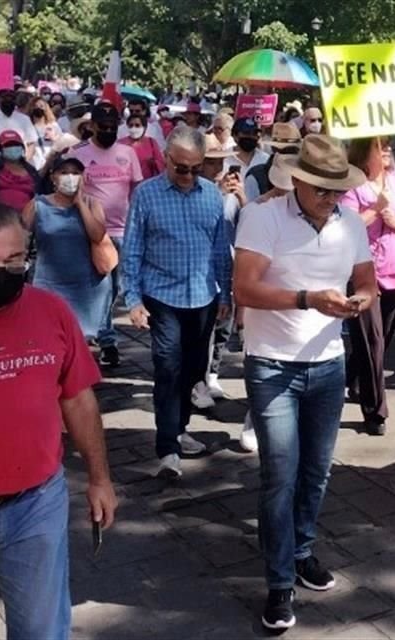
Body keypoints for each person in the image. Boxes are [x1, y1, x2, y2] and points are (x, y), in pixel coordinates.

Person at [233, 134, 375, 630]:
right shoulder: (263, 216)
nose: (330, 197)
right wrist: (307, 300)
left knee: (317, 471)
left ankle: (302, 551)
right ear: (297, 179)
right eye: (321, 189)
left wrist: (360, 300)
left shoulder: (351, 221)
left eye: (338, 189)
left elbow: (368, 282)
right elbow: (244, 287)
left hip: (329, 362)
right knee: (280, 474)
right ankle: (278, 585)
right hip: (272, 364)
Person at [0, 201, 117, 640]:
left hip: (35, 503)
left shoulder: (52, 312)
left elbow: (78, 400)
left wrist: (99, 478)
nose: (1, 272)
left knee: (42, 631)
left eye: (14, 261)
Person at [121, 125, 233, 479]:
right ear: (166, 159)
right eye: (180, 168)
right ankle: (167, 446)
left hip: (203, 296)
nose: (186, 175)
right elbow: (133, 248)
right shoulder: (146, 195)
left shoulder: (212, 197)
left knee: (193, 370)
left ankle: (180, 427)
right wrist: (133, 298)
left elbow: (220, 252)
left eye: (195, 169)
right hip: (162, 296)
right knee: (168, 367)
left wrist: (226, 294)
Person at [340, 136, 395, 435]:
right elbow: (346, 225)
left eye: (389, 145)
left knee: (380, 339)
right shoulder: (353, 183)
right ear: (364, 150)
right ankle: (375, 412)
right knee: (372, 340)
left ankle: (355, 378)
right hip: (363, 271)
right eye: (379, 145)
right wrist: (375, 209)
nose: (386, 149)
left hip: (394, 267)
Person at [68, 101, 144, 367]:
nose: (109, 130)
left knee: (117, 289)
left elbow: (137, 191)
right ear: (92, 126)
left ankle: (99, 330)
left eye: (113, 126)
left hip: (124, 230)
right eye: (104, 126)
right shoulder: (77, 153)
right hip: (93, 231)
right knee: (99, 288)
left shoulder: (127, 153)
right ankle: (107, 340)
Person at [20, 157, 112, 338]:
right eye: (64, 172)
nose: (70, 177)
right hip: (49, 284)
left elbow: (97, 235)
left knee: (81, 338)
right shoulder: (37, 205)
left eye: (75, 173)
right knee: (50, 335)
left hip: (86, 287)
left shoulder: (92, 203)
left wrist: (79, 203)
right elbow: (20, 239)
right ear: (53, 177)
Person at [190, 135, 246, 411]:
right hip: (201, 267)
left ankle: (213, 373)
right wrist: (220, 194)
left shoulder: (233, 192)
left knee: (225, 324)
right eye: (212, 162)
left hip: (228, 263)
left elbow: (247, 222)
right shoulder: (197, 190)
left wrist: (240, 194)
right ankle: (197, 380)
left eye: (221, 161)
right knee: (203, 328)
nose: (218, 167)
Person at [0, 131, 42, 212]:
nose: (12, 147)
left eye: (15, 144)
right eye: (8, 145)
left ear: (22, 147)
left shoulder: (31, 170)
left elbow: (39, 193)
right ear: (1, 148)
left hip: (26, 217)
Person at [247, 122, 302, 202]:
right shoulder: (256, 176)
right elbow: (251, 208)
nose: (286, 155)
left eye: (291, 150)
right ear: (273, 148)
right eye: (283, 150)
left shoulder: (306, 175)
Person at [0, 88, 38, 161]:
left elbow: (31, 143)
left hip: (18, 163)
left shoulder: (24, 119)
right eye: (4, 97)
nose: (8, 100)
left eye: (12, 98)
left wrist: (26, 161)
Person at [120, 113, 166, 180]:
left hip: (147, 182)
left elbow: (161, 162)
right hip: (126, 182)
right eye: (131, 125)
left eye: (137, 125)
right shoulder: (121, 143)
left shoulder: (151, 142)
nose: (134, 128)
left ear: (144, 127)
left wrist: (154, 163)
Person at [29, 96, 63, 172]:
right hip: (34, 165)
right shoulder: (28, 126)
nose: (39, 108)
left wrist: (54, 139)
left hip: (51, 165)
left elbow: (62, 144)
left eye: (41, 106)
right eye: (35, 106)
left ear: (46, 108)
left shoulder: (53, 125)